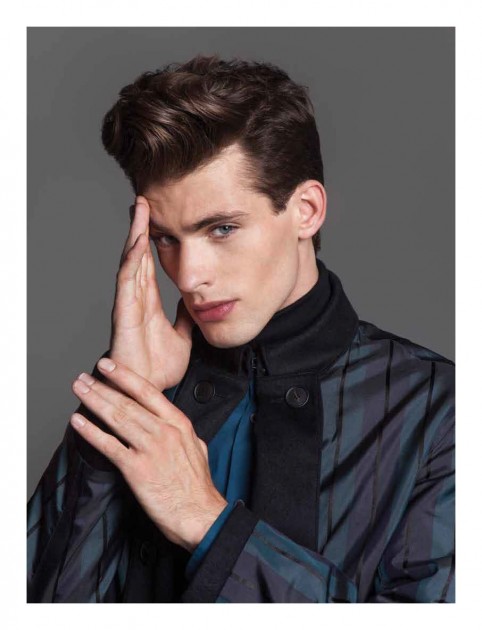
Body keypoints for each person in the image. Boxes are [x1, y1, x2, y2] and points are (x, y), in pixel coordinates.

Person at [27, 54, 455, 603]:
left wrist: (207, 523)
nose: (188, 276)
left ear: (306, 210)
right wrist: (126, 397)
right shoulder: (147, 383)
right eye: (165, 239)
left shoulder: (439, 410)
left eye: (222, 229)